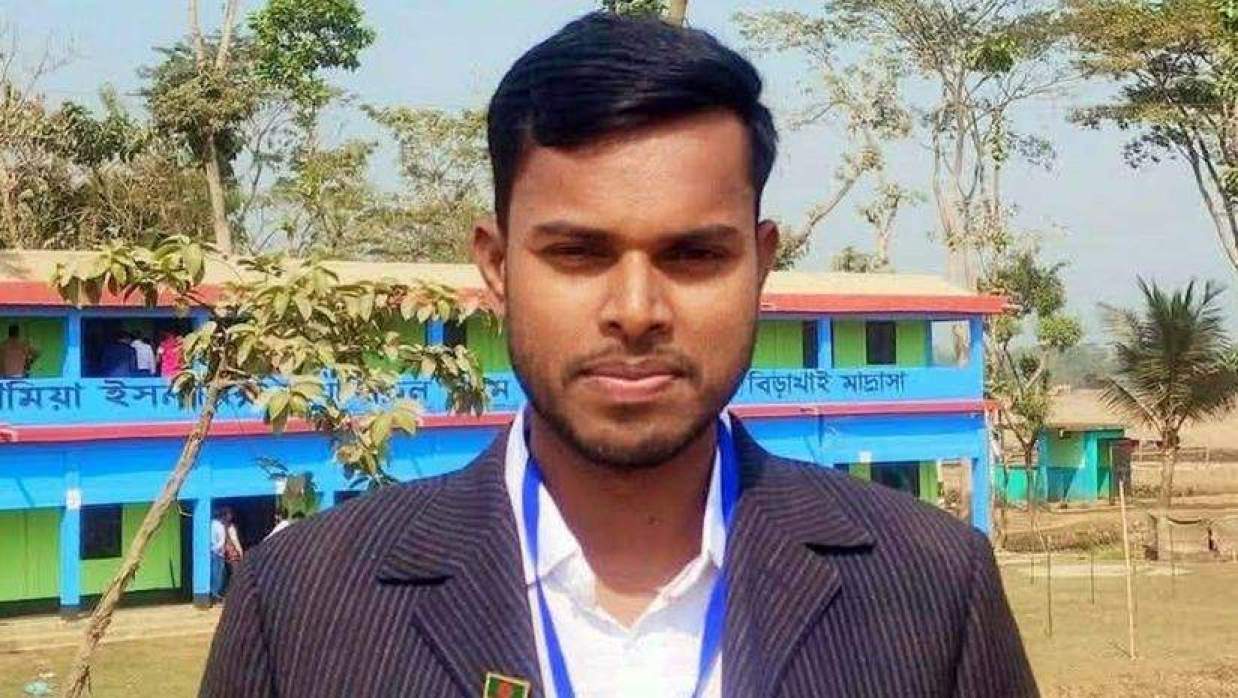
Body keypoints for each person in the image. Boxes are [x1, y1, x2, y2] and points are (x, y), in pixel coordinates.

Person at [201, 13, 1035, 698]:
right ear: (497, 267)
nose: (636, 311)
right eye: (577, 254)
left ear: (759, 265)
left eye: (694, 255)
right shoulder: (303, 604)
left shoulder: (930, 587)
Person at [209, 508, 231, 602]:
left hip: (211, 552)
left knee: (212, 573)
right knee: (218, 575)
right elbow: (222, 541)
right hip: (218, 553)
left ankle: (212, 593)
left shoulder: (210, 524)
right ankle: (215, 594)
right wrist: (217, 550)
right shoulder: (220, 526)